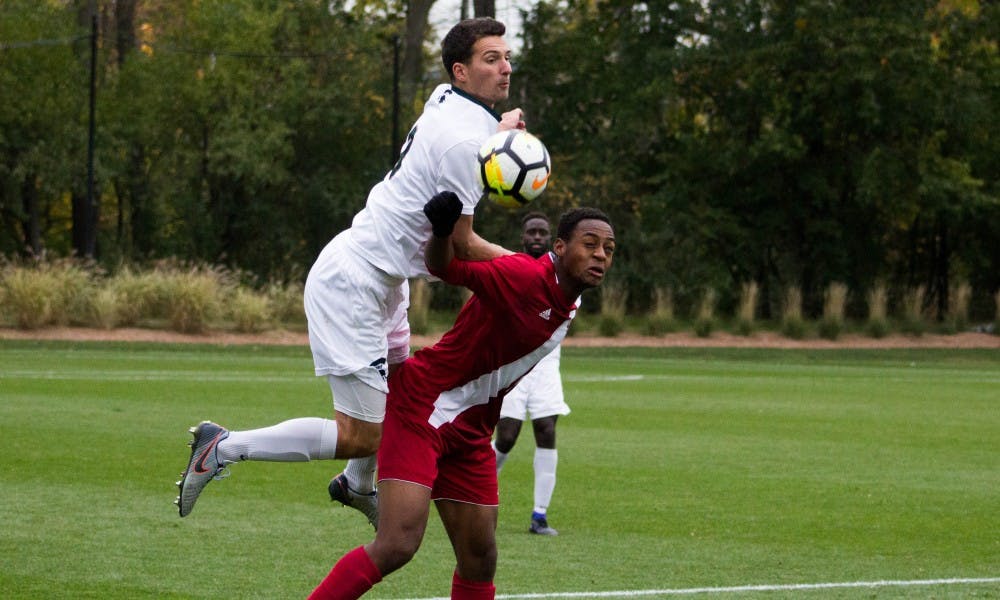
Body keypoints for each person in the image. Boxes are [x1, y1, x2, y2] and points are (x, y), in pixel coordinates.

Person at [174, 17, 525, 527]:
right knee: (361, 434)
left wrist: (495, 134)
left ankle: (358, 486)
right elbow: (464, 246)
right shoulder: (462, 146)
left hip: (383, 280)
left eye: (506, 56)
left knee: (405, 396)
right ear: (461, 71)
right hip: (354, 283)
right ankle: (223, 447)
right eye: (491, 59)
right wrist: (528, 269)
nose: (505, 66)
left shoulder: (449, 102)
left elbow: (460, 137)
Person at [307, 193, 616, 600]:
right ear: (559, 248)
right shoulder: (524, 277)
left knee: (479, 557)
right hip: (422, 406)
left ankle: (356, 482)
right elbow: (444, 265)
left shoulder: (568, 297)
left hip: (469, 431)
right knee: (397, 544)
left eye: (609, 249)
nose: (600, 255)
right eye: (589, 244)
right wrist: (441, 230)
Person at [492, 211, 568, 536]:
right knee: (506, 437)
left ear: (551, 239)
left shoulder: (562, 273)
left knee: (546, 430)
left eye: (542, 233)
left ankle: (540, 516)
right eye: (531, 233)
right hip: (514, 364)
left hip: (547, 363)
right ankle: (472, 496)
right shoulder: (512, 268)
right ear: (522, 238)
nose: (537, 237)